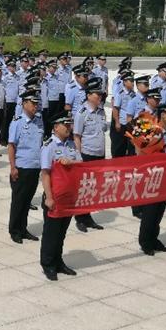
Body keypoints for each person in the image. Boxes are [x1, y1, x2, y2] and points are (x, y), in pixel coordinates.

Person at [39, 115, 81, 281]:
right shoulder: (49, 146)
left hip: (69, 196)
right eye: (65, 124)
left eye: (69, 124)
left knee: (61, 233)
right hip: (55, 197)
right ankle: (48, 264)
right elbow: (45, 173)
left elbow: (81, 164)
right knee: (51, 233)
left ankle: (58, 262)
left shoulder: (71, 144)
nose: (68, 127)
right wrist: (49, 197)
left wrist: (71, 162)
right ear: (56, 127)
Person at [138, 100, 166, 255]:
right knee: (151, 210)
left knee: (160, 209)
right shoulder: (153, 131)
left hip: (165, 176)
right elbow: (142, 151)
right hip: (153, 176)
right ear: (163, 115)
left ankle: (154, 238)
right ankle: (145, 241)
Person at [7, 88, 43, 243]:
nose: (35, 106)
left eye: (36, 103)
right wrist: (13, 167)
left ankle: (23, 228)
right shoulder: (17, 122)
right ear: (24, 104)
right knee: (18, 201)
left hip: (35, 166)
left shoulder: (39, 121)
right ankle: (15, 230)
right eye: (32, 103)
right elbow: (11, 146)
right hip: (21, 167)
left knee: (27, 200)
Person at [71, 78, 106, 233]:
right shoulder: (82, 113)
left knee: (94, 188)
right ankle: (80, 218)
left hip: (99, 154)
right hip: (87, 154)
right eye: (97, 94)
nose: (99, 96)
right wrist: (78, 157)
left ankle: (88, 216)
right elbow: (77, 136)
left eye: (100, 94)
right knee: (83, 188)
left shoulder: (101, 111)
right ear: (89, 95)